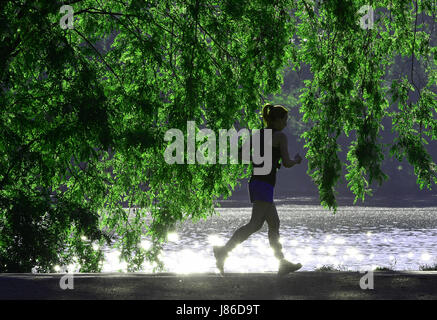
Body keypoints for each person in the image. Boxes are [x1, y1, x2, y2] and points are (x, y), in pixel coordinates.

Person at [213, 103, 303, 276]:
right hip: (264, 184)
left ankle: (281, 262)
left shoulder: (258, 134)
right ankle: (223, 251)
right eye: (284, 120)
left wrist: (258, 159)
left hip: (256, 183)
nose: (286, 124)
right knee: (254, 224)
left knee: (273, 223)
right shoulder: (280, 137)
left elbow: (240, 155)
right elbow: (286, 162)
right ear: (276, 120)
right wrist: (296, 160)